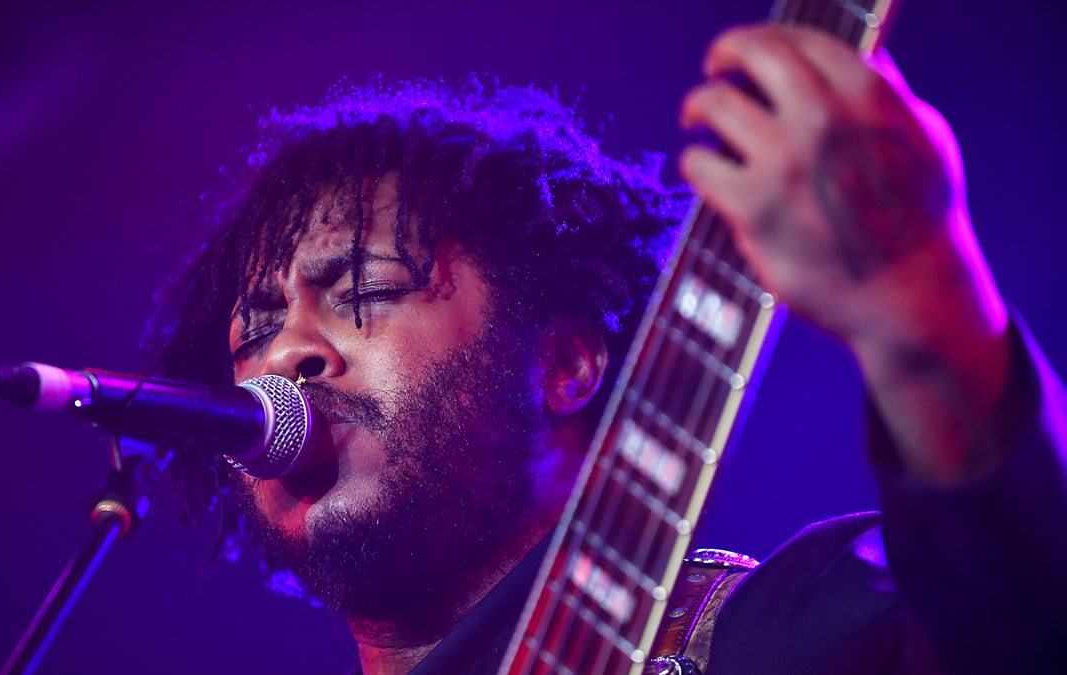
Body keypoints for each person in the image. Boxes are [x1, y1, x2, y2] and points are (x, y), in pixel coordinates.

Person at [148, 23, 1067, 674]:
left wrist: (928, 314)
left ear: (563, 366)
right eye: (255, 328)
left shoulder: (796, 636)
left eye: (368, 291)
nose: (287, 352)